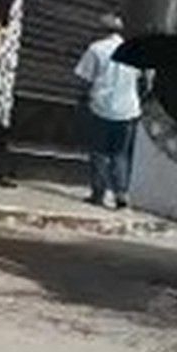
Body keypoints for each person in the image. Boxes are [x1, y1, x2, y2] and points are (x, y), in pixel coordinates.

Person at [74, 13, 143, 209]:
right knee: (120, 154)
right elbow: (143, 80)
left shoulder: (96, 49)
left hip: (102, 109)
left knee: (99, 152)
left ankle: (98, 194)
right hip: (128, 111)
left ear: (101, 30)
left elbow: (84, 79)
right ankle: (121, 194)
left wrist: (82, 98)